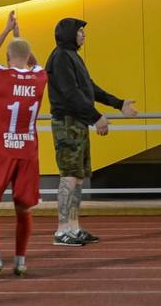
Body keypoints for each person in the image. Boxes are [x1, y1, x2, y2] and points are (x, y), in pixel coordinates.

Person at [45, 17, 138, 246]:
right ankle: (62, 231)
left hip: (77, 122)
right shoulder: (60, 58)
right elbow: (71, 94)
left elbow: (89, 87)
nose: (83, 34)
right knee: (69, 175)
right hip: (67, 123)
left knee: (77, 176)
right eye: (80, 31)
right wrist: (96, 117)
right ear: (69, 34)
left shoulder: (72, 56)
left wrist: (118, 103)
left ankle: (73, 228)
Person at [0, 10, 46, 276]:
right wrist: (19, 38)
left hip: (2, 149)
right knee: (23, 208)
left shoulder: (0, 76)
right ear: (28, 57)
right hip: (28, 151)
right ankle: (20, 261)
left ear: (7, 58)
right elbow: (35, 63)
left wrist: (7, 30)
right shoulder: (40, 78)